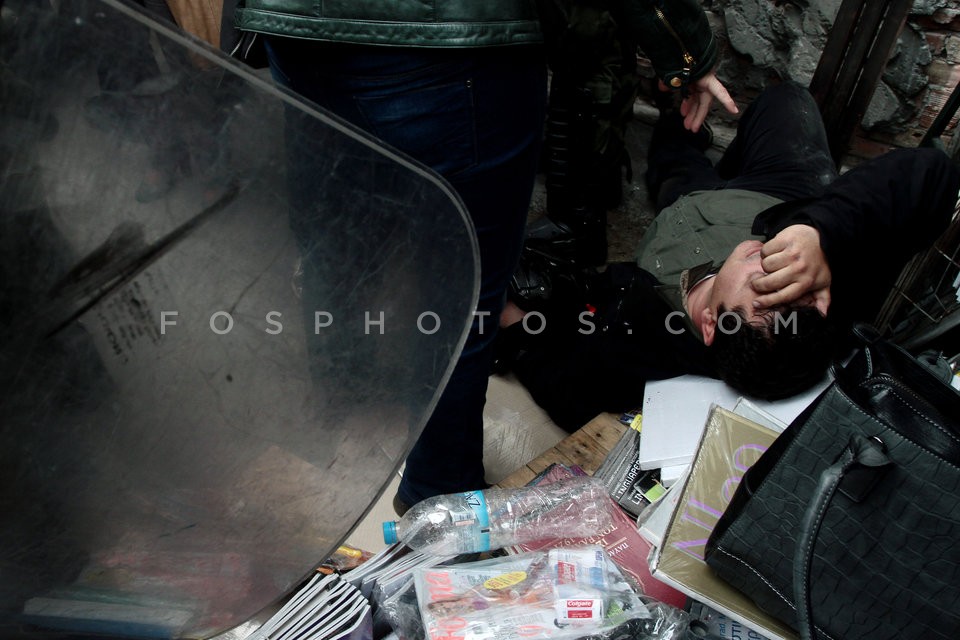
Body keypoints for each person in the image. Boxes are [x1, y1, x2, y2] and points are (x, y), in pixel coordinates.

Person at [221, 0, 735, 514]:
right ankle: (438, 495)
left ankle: (347, 423)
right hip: (450, 40)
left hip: (298, 24)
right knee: (459, 294)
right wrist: (686, 49)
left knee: (339, 243)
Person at [499, 81, 960, 431]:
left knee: (676, 160)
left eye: (761, 284)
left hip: (687, 207)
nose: (771, 263)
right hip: (775, 193)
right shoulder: (825, 297)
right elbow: (934, 174)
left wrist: (516, 324)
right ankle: (721, 161)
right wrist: (820, 232)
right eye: (791, 284)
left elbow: (567, 389)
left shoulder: (646, 347)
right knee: (785, 100)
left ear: (708, 324)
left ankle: (678, 128)